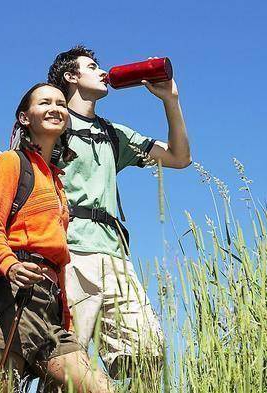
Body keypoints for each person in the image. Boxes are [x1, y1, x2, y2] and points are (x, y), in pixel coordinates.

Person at [45, 46, 192, 384]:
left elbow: (179, 157)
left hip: (116, 256)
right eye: (92, 66)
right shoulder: (53, 124)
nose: (102, 71)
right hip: (70, 253)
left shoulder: (114, 134)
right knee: (68, 363)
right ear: (71, 77)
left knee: (148, 355)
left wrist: (170, 100)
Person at [0, 82, 115, 393]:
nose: (55, 108)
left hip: (49, 304)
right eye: (45, 102)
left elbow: (59, 255)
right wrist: (10, 265)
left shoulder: (56, 180)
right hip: (11, 295)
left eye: (60, 103)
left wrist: (64, 315)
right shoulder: (12, 162)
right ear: (25, 118)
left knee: (100, 387)